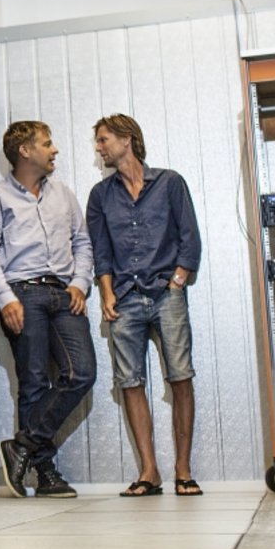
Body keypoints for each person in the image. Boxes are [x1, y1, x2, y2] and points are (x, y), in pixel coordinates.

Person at [86, 114, 203, 497]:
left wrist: (177, 282)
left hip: (166, 294)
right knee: (130, 383)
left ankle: (183, 469)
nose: (99, 148)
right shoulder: (100, 196)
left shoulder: (170, 183)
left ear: (127, 140)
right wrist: (106, 293)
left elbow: (190, 240)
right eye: (98, 143)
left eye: (104, 140)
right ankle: (149, 472)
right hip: (123, 299)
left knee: (180, 376)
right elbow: (100, 253)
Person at [0, 120, 96, 498]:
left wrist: (80, 283)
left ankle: (22, 446)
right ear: (25, 151)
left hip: (64, 294)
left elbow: (83, 243)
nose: (54, 150)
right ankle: (44, 474)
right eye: (47, 143)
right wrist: (5, 298)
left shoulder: (63, 194)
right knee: (32, 383)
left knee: (81, 373)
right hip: (21, 294)